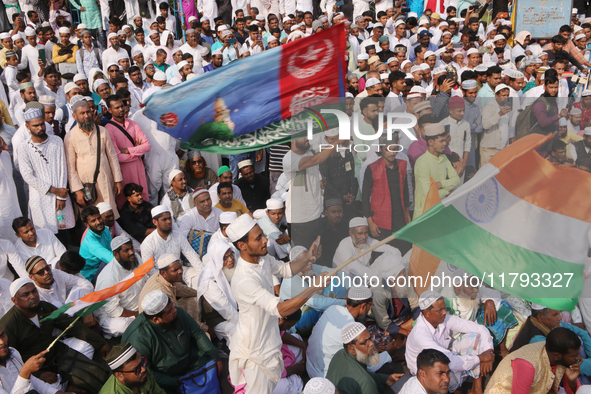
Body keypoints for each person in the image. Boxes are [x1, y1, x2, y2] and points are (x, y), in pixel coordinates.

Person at [226, 214, 324, 393]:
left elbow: (286, 270)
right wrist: (314, 288)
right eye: (258, 238)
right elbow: (280, 309)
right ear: (242, 245)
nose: (265, 240)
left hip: (270, 340)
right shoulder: (243, 279)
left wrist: (309, 257)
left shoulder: (262, 259)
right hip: (255, 350)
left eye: (263, 234)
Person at [0, 279, 109, 389]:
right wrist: (39, 374)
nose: (32, 296)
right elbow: (11, 360)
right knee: (53, 389)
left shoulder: (44, 307)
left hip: (58, 354)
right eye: (26, 294)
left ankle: (72, 383)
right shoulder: (8, 325)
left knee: (96, 375)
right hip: (38, 368)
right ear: (15, 300)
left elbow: (71, 326)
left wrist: (101, 343)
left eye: (34, 291)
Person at [122, 290, 221, 392]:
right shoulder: (139, 338)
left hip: (192, 361)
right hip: (168, 378)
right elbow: (147, 372)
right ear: (156, 320)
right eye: (169, 311)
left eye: (172, 306)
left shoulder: (178, 313)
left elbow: (198, 334)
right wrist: (177, 383)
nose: (174, 311)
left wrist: (215, 358)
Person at [405, 290, 494, 394]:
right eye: (440, 310)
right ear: (427, 313)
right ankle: (456, 389)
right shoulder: (420, 335)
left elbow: (480, 329)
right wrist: (481, 358)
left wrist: (489, 351)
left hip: (444, 360)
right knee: (460, 363)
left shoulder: (443, 319)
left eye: (444, 308)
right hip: (428, 375)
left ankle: (476, 389)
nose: (444, 312)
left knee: (475, 338)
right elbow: (450, 363)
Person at [16, 107, 75, 236]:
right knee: (46, 234)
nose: (40, 128)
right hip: (40, 198)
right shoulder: (23, 148)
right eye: (35, 125)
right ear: (27, 126)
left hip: (61, 196)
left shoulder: (57, 141)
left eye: (41, 124)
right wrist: (54, 190)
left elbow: (62, 169)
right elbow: (27, 176)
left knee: (65, 234)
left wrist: (60, 195)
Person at [64, 97, 123, 217]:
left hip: (105, 181)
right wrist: (77, 190)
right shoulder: (70, 137)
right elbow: (70, 167)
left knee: (109, 213)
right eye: (82, 113)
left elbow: (112, 156)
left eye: (88, 112)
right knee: (92, 217)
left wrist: (118, 179)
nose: (86, 116)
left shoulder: (102, 131)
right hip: (86, 186)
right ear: (75, 116)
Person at [485, 327, 582, 394]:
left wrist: (571, 381)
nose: (578, 358)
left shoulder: (558, 353)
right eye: (574, 355)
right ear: (557, 356)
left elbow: (575, 391)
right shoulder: (527, 365)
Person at [284, 138, 338, 247]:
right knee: (302, 258)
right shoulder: (289, 158)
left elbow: (328, 154)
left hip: (316, 216)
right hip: (300, 220)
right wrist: (336, 141)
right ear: (292, 140)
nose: (307, 138)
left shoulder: (309, 151)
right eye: (303, 136)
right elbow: (314, 160)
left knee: (316, 255)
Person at [362, 135, 411, 254]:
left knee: (404, 250)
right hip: (380, 220)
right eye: (388, 149)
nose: (392, 153)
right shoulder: (372, 168)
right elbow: (364, 197)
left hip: (399, 218)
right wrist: (370, 222)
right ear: (381, 149)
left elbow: (405, 193)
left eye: (394, 149)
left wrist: (408, 217)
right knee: (383, 254)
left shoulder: (402, 165)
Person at [326, 322, 404, 393]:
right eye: (365, 342)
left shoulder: (339, 354)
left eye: (370, 338)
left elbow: (362, 372)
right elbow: (362, 377)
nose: (372, 343)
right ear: (351, 348)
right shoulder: (365, 382)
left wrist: (385, 379)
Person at [94, 236, 147, 337]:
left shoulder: (135, 259)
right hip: (113, 316)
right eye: (126, 250)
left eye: (131, 248)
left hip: (138, 307)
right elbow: (114, 310)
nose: (131, 252)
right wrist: (139, 314)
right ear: (116, 254)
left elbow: (145, 280)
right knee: (123, 326)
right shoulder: (109, 277)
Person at [104, 95, 151, 208]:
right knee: (126, 200)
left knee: (142, 197)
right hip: (123, 170)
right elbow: (117, 157)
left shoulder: (132, 123)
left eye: (122, 106)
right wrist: (137, 153)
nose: (121, 109)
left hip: (138, 168)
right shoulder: (108, 129)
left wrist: (127, 150)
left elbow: (147, 146)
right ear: (110, 110)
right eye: (117, 107)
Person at [0, 324, 72, 394]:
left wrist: (57, 392)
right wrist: (25, 372)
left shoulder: (13, 352)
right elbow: (25, 376)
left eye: (2, 335)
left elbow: (32, 381)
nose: (2, 342)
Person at [333, 217, 403, 282]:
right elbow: (359, 271)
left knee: (390, 255)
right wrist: (385, 275)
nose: (363, 237)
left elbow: (394, 250)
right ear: (351, 233)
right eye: (360, 233)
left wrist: (394, 264)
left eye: (366, 233)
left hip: (367, 278)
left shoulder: (367, 240)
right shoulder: (344, 248)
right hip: (347, 281)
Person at [413, 123, 460, 219]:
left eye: (445, 140)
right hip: (424, 214)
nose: (445, 144)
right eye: (441, 141)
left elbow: (456, 180)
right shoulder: (422, 163)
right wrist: (447, 192)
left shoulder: (444, 158)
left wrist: (441, 184)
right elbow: (429, 194)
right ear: (430, 142)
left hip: (440, 212)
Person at [138, 253, 201, 323]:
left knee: (194, 299)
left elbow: (184, 291)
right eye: (175, 270)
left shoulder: (163, 276)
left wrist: (201, 293)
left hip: (166, 315)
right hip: (159, 324)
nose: (180, 271)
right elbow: (175, 315)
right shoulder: (162, 292)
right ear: (163, 273)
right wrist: (203, 328)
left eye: (180, 267)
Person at [140, 205, 203, 275]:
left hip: (180, 272)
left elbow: (191, 255)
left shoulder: (178, 236)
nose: (169, 222)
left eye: (170, 218)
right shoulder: (148, 243)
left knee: (200, 278)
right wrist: (166, 278)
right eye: (164, 219)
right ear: (155, 222)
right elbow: (149, 270)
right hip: (160, 277)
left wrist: (204, 274)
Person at [26, 255, 93, 311]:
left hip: (72, 311)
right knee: (56, 304)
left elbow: (86, 284)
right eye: (41, 272)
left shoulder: (56, 274)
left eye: (47, 268)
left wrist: (86, 308)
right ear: (32, 277)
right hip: (55, 322)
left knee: (79, 290)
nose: (46, 272)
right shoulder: (33, 292)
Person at [100, 342, 166, 394]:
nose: (143, 369)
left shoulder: (142, 373)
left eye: (142, 362)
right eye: (136, 369)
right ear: (119, 375)